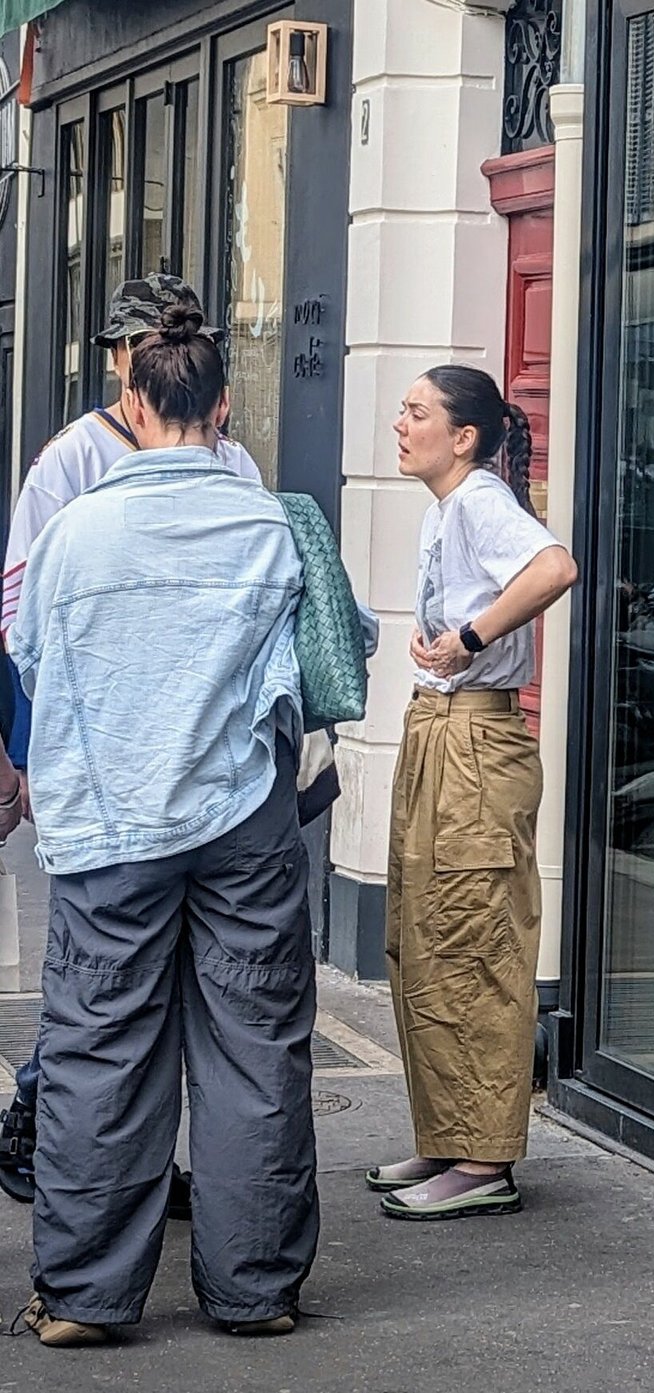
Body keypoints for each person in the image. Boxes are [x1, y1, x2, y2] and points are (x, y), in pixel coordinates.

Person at [11, 303, 317, 1345]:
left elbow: (31, 658)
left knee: (100, 1048)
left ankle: (87, 1297)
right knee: (256, 1046)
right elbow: (321, 669)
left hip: (109, 819)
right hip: (243, 815)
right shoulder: (272, 522)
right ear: (223, 406)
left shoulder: (73, 531)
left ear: (132, 405)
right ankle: (255, 1289)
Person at [0, 274, 263, 1211]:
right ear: (123, 361)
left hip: (210, 772)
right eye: (145, 344)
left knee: (173, 979)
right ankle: (46, 1115)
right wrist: (23, 752)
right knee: (107, 983)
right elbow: (18, 619)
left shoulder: (236, 467)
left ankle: (149, 1165)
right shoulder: (71, 461)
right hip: (103, 762)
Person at [369, 365, 578, 1220]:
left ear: (464, 435)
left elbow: (555, 566)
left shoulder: (483, 498)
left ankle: (486, 1158)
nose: (400, 423)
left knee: (475, 937)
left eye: (416, 412)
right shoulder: (447, 507)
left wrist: (470, 635)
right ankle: (451, 1134)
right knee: (424, 936)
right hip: (441, 734)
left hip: (475, 742)